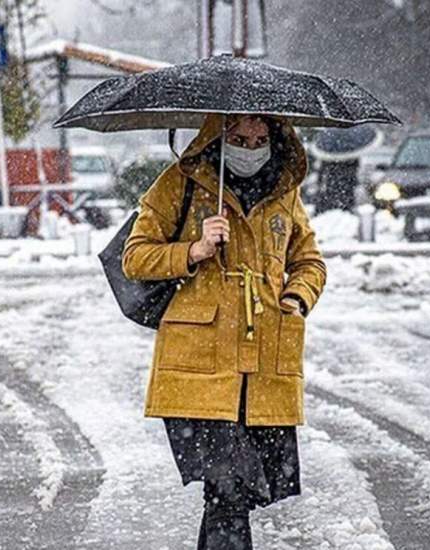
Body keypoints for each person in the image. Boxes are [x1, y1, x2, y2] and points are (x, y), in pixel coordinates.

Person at [122, 113, 327, 549]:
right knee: (230, 488)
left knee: (230, 496)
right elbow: (135, 258)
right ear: (217, 136)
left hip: (264, 369)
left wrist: (295, 299)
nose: (249, 149)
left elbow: (310, 262)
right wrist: (193, 249)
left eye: (258, 139)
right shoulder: (182, 183)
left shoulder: (283, 193)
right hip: (199, 369)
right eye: (237, 138)